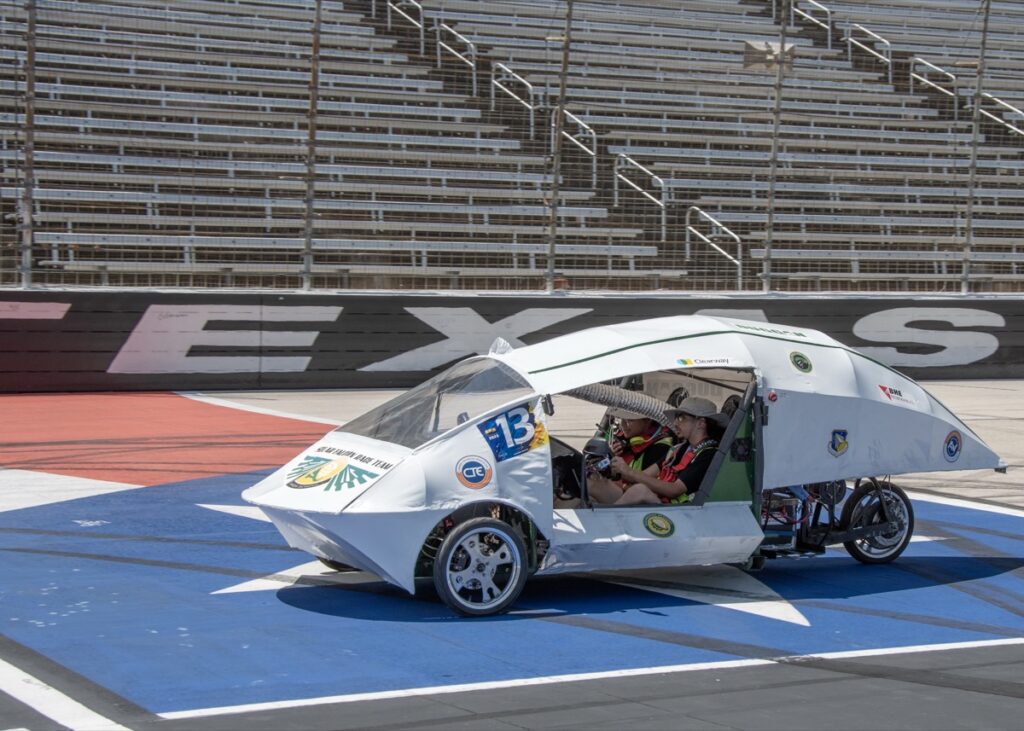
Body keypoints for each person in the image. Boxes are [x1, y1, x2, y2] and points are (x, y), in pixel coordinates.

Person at [609, 397, 727, 506]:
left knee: (639, 491)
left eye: (681, 418)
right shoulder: (678, 449)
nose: (675, 423)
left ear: (701, 423)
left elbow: (674, 490)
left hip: (678, 513)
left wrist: (629, 472)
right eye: (676, 418)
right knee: (595, 483)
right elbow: (645, 475)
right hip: (662, 505)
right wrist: (615, 470)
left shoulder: (708, 454)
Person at [585, 407, 673, 505]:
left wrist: (620, 474)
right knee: (587, 480)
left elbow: (645, 484)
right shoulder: (626, 439)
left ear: (648, 421)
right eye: (621, 419)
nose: (623, 425)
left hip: (640, 498)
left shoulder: (660, 448)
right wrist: (610, 456)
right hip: (624, 490)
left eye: (629, 420)